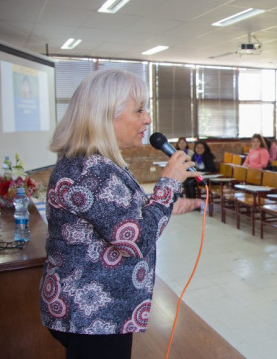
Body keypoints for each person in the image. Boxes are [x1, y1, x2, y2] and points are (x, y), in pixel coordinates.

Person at [39, 69, 202, 359]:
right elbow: (134, 240)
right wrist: (168, 185)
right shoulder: (92, 171)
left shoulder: (92, 163)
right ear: (104, 115)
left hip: (87, 309)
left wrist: (165, 204)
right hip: (92, 314)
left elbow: (118, 217)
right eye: (139, 110)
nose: (148, 118)